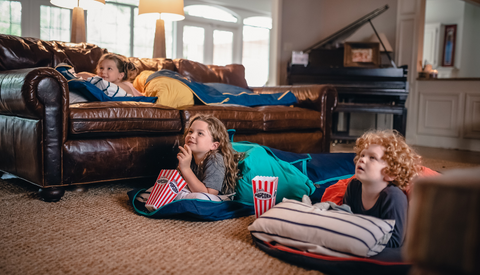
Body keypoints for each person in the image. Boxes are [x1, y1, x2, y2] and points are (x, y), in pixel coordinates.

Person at [343, 129, 422, 248]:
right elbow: (344, 219)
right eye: (362, 155)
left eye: (372, 158)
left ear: (390, 173)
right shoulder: (354, 186)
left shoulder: (393, 197)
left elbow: (395, 241)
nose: (362, 159)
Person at [175, 114, 243, 201]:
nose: (192, 135)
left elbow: (209, 194)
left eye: (200, 133)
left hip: (218, 200)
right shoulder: (189, 156)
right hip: (198, 194)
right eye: (190, 131)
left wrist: (186, 169)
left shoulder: (215, 159)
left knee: (198, 197)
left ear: (214, 145)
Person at [77, 53, 143, 97]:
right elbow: (81, 74)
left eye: (109, 68)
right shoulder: (110, 81)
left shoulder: (123, 86)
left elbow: (102, 84)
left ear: (120, 75)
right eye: (101, 68)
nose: (103, 71)